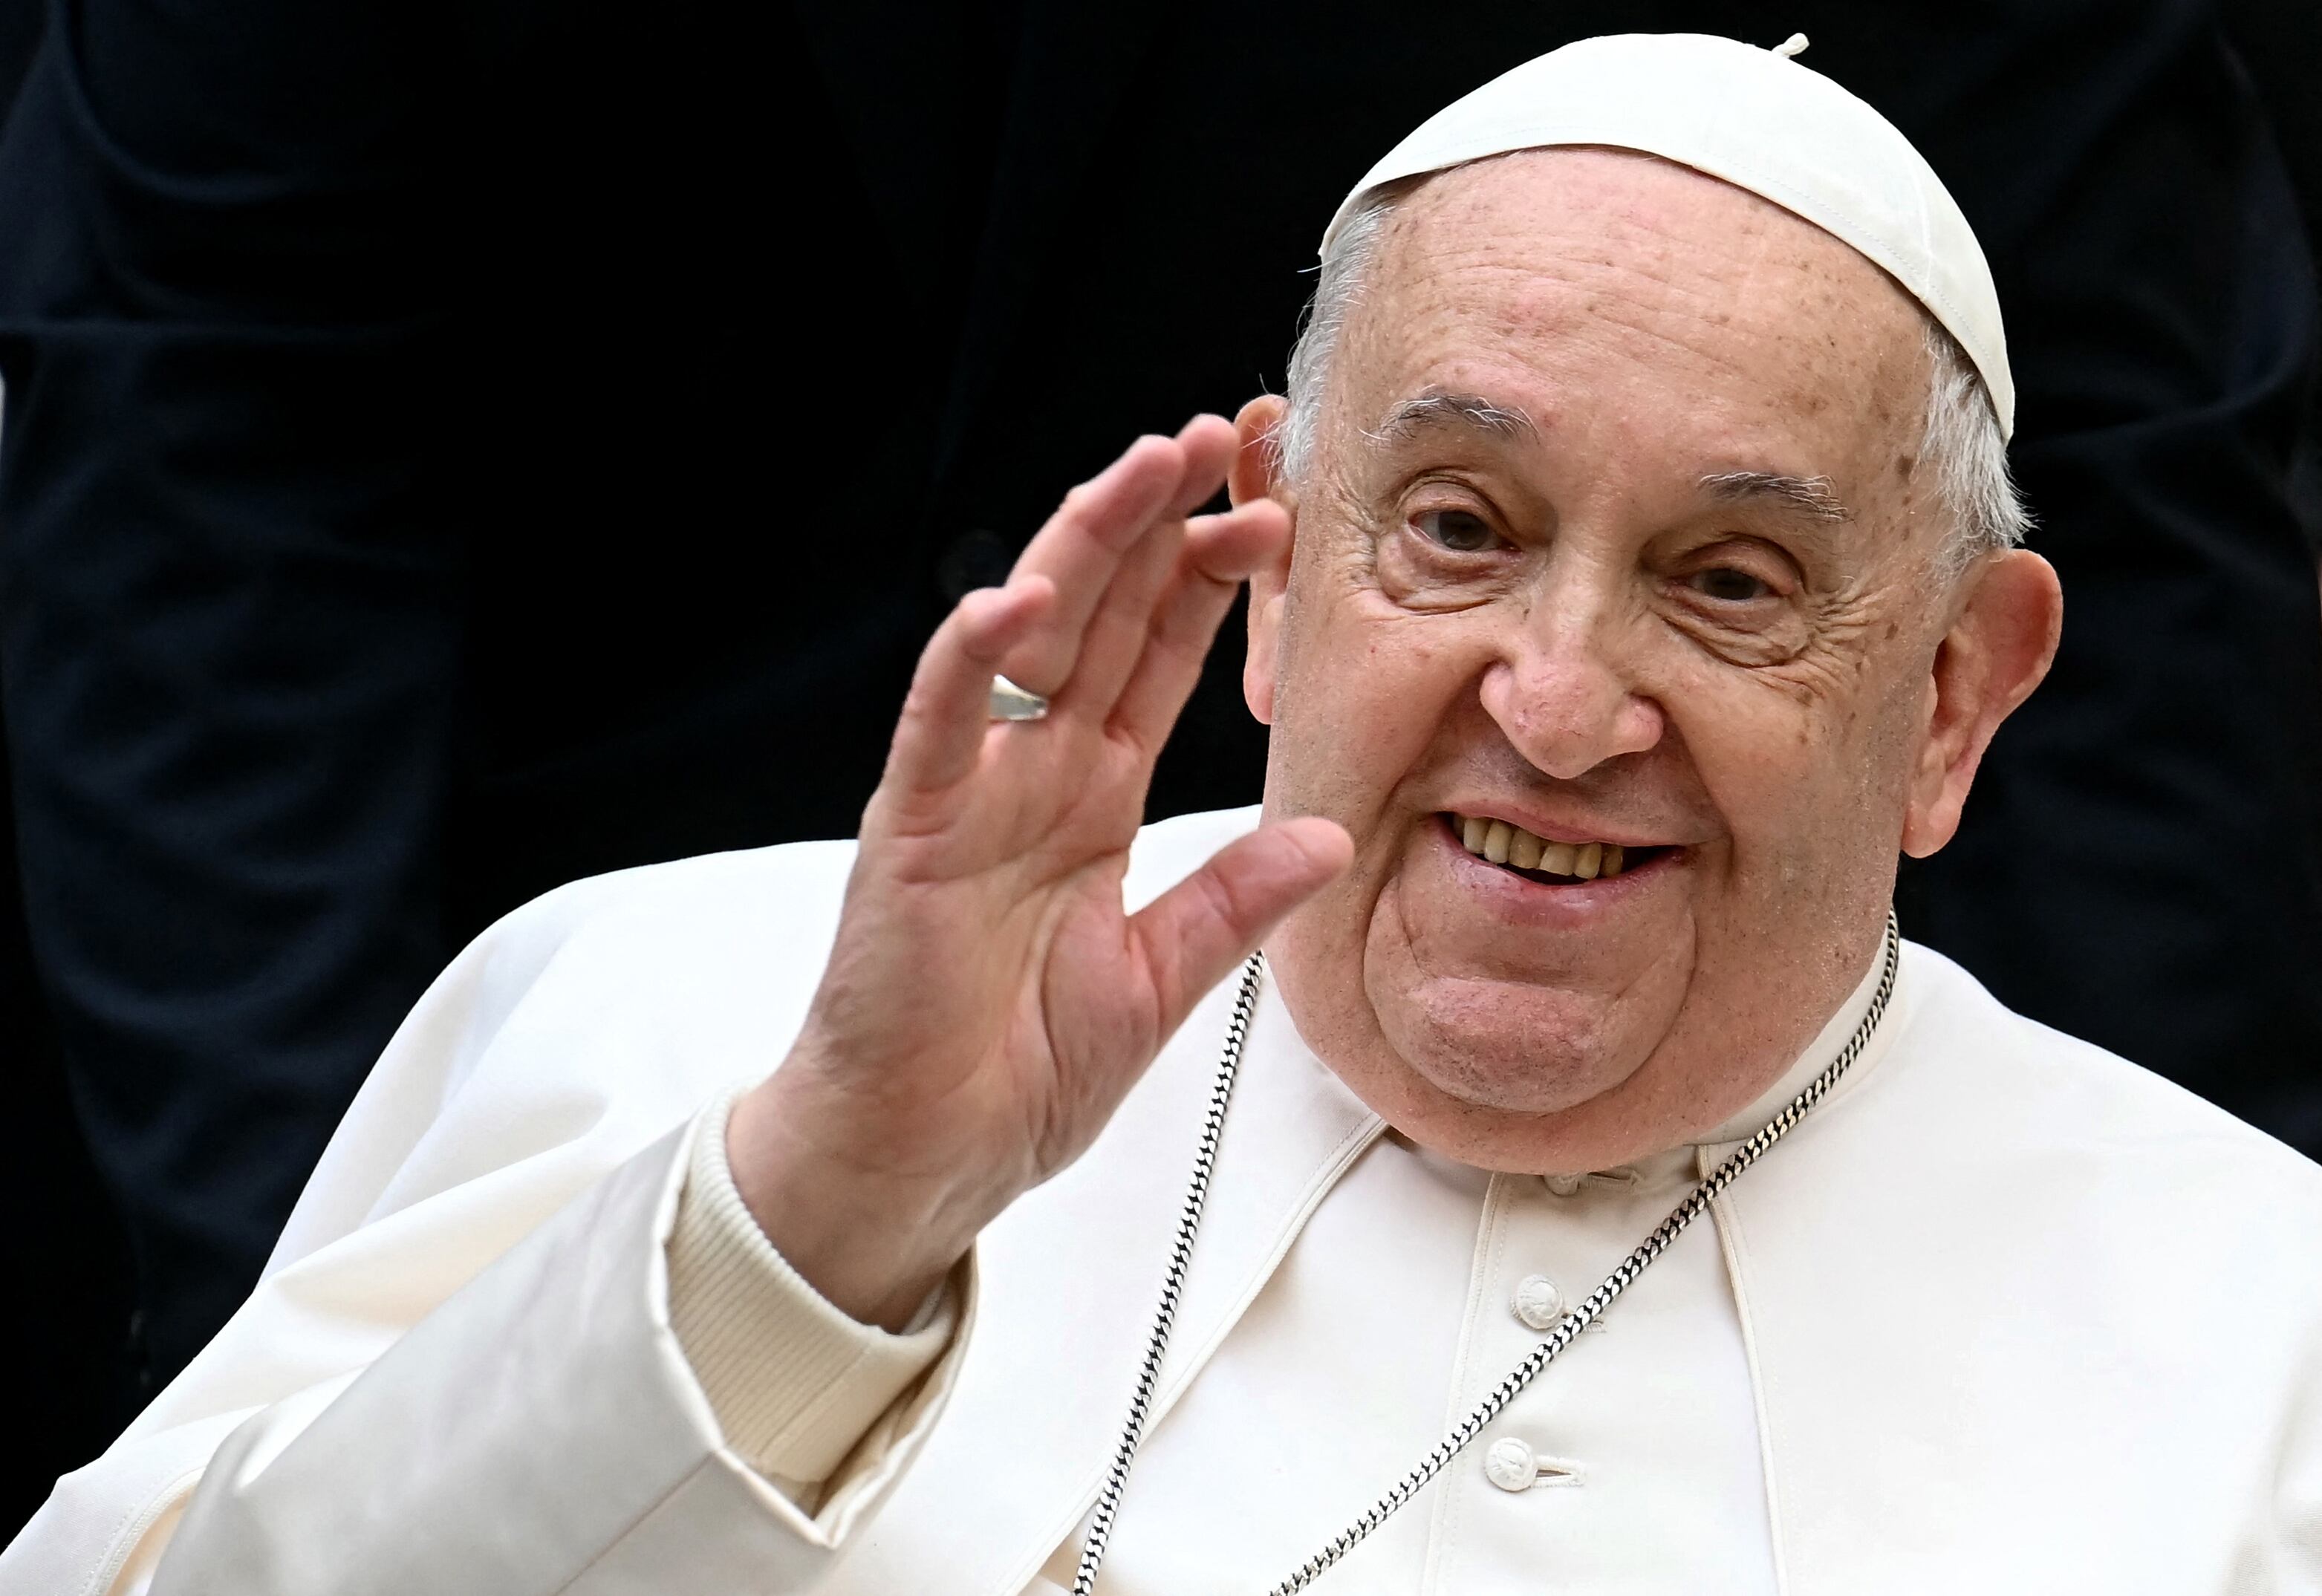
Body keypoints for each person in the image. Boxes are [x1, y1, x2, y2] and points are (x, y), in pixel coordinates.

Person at [7, 30, 2322, 1595]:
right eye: (1458, 529)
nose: (1555, 703)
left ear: (1950, 697)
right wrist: (813, 1228)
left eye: (1731, 581)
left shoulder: (2257, 1334)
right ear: (1276, 575)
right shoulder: (677, 1012)